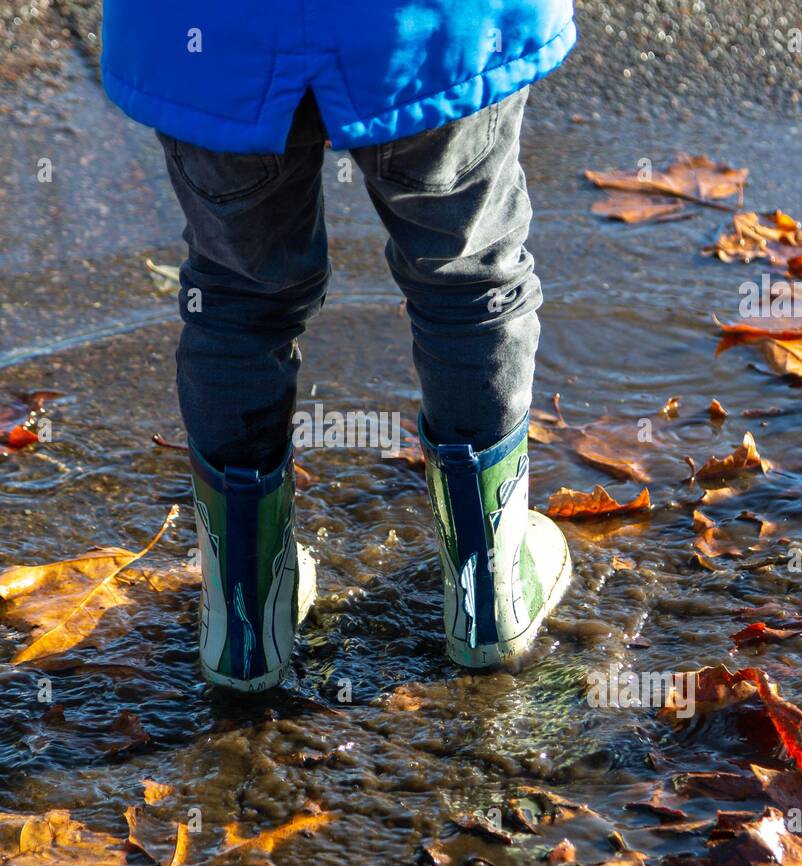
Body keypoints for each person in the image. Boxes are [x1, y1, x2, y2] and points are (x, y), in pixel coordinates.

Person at [101, 2, 578, 691]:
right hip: (426, 28)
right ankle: (489, 601)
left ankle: (242, 628)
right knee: (469, 281)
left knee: (236, 298)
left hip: (212, 37)